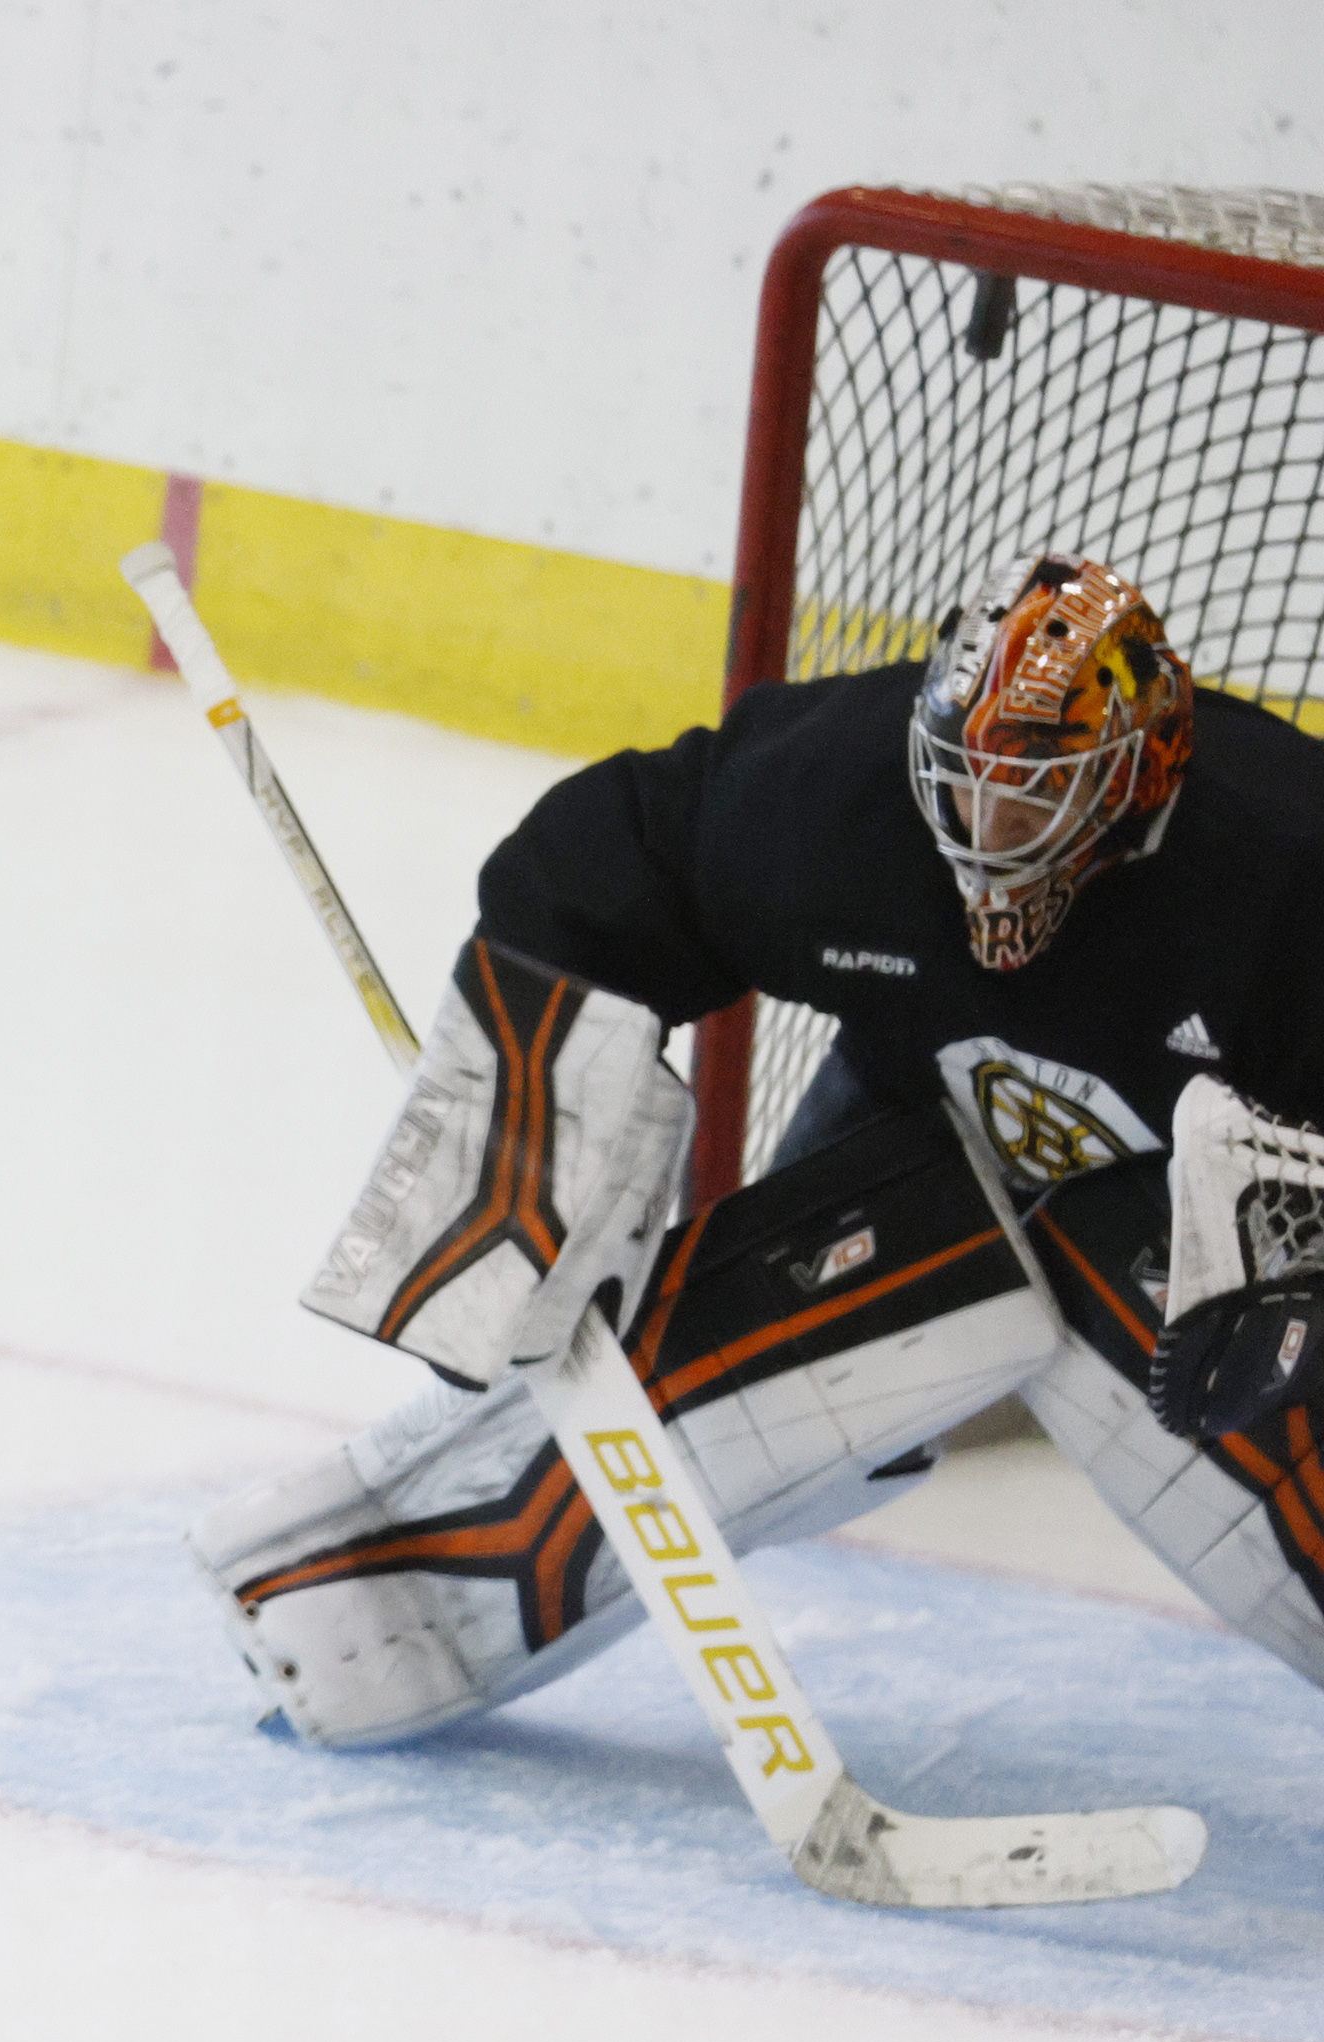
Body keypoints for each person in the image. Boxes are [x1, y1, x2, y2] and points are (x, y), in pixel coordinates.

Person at [194, 550, 1324, 1741]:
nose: (984, 831)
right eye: (963, 781)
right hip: (915, 1127)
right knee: (734, 1391)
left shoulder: (1282, 865)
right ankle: (365, 1587)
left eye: (1032, 794)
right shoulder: (839, 792)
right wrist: (532, 1139)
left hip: (1167, 1218)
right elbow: (592, 868)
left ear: (1137, 778)